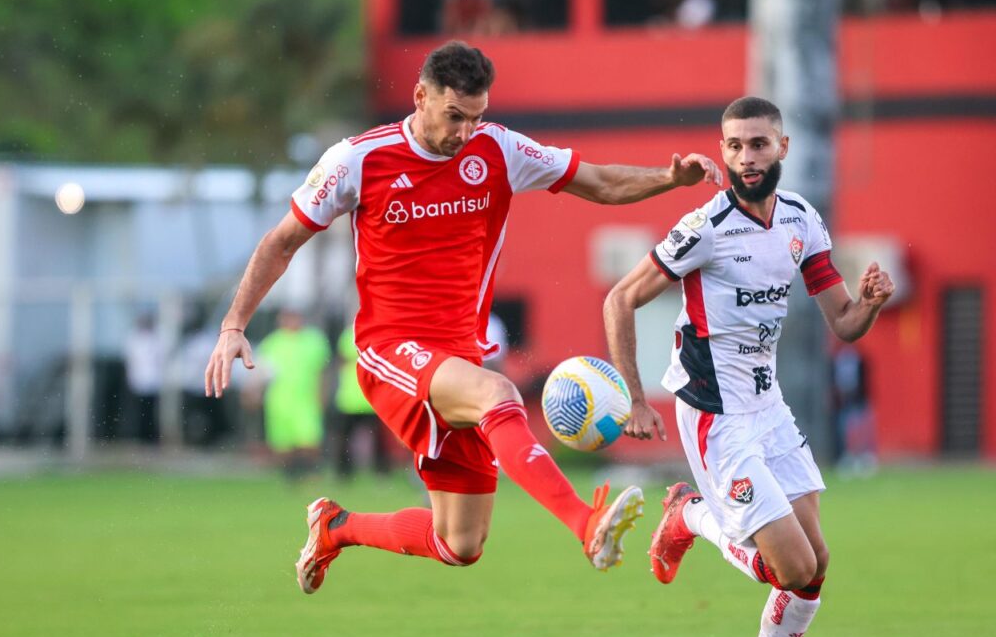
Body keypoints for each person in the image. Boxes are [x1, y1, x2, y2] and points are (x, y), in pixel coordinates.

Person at [205, 40, 722, 595]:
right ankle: (586, 523)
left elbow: (597, 182)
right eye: (454, 116)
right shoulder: (356, 160)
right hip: (390, 352)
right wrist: (234, 323)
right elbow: (283, 241)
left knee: (460, 544)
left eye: (476, 118)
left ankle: (336, 527)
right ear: (420, 96)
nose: (464, 133)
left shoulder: (497, 150)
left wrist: (669, 180)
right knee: (498, 393)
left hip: (459, 358)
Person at [603, 96, 895, 637]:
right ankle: (689, 514)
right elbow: (618, 299)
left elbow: (844, 323)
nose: (747, 158)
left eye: (759, 144)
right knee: (790, 568)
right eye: (735, 146)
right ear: (723, 152)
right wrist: (635, 400)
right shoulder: (704, 227)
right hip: (717, 415)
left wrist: (870, 304)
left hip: (769, 407)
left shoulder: (801, 220)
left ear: (782, 147)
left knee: (814, 568)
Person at [254, 309, 332, 476]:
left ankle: (310, 472)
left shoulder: (314, 341)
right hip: (279, 399)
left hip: (306, 398)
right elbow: (261, 372)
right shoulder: (272, 343)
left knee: (310, 439)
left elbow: (322, 371)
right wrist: (255, 392)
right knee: (282, 442)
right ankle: (290, 475)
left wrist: (322, 393)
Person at [333, 326, 391, 479]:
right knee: (345, 439)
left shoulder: (375, 333)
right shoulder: (349, 335)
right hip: (350, 399)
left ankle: (381, 471)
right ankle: (344, 472)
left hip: (370, 398)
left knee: (378, 439)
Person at [124, 312, 164, 443]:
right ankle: (138, 436)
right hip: (138, 381)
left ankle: (151, 438)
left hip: (153, 382)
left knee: (151, 412)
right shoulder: (134, 338)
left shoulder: (156, 338)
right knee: (138, 412)